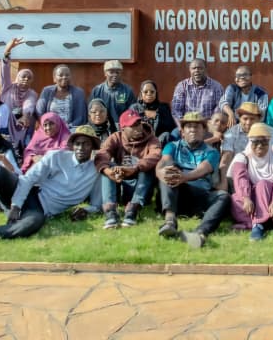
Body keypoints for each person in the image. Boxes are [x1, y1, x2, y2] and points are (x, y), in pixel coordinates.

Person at [155, 111, 230, 248]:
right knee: (169, 171)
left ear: (204, 131)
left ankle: (200, 232)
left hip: (199, 196)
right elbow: (163, 162)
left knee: (223, 196)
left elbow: (203, 169)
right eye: (189, 126)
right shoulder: (172, 146)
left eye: (197, 127)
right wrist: (160, 173)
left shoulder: (211, 152)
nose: (193, 130)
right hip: (175, 195)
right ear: (182, 131)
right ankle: (170, 221)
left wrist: (184, 177)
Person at [95, 109, 162, 229]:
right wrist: (108, 171)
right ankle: (110, 212)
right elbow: (102, 155)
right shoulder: (116, 137)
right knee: (108, 166)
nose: (138, 128)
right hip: (121, 184)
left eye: (138, 123)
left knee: (147, 169)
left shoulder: (152, 139)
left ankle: (132, 211)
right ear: (123, 129)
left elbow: (155, 155)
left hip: (141, 189)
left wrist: (135, 168)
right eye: (133, 126)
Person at [230, 123, 273, 241]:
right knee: (235, 199)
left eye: (264, 142)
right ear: (250, 142)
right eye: (255, 142)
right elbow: (240, 179)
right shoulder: (242, 157)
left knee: (263, 184)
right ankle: (271, 222)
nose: (260, 145)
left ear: (269, 142)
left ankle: (258, 225)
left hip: (272, 199)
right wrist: (246, 198)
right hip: (250, 199)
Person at [0, 37, 39, 150]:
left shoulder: (31, 93)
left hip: (21, 125)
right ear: (18, 77)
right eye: (23, 76)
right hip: (4, 124)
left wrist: (25, 116)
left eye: (29, 78)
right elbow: (4, 72)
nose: (26, 79)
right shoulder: (8, 87)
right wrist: (7, 50)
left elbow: (29, 104)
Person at [218, 101, 263, 189]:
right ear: (239, 118)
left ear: (259, 119)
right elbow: (226, 157)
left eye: (252, 119)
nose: (248, 122)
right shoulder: (231, 133)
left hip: (261, 174)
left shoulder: (267, 132)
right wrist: (223, 181)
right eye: (245, 119)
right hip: (238, 175)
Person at [171, 59, 224, 127]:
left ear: (205, 69)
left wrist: (209, 126)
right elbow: (176, 111)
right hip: (187, 125)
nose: (196, 70)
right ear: (190, 70)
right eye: (194, 68)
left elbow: (219, 110)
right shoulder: (182, 86)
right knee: (174, 133)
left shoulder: (216, 87)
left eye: (200, 68)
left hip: (208, 126)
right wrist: (182, 127)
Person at [36, 64, 87, 129]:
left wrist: (67, 127)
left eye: (67, 75)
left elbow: (80, 117)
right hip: (49, 129)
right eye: (61, 75)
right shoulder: (47, 91)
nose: (64, 77)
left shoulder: (78, 93)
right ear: (54, 78)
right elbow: (39, 112)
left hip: (70, 129)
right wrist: (48, 126)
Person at [91, 60, 137, 127]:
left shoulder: (128, 91)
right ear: (105, 73)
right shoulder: (97, 90)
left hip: (122, 127)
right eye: (111, 72)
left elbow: (132, 113)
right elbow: (91, 112)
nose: (115, 75)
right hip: (101, 127)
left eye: (117, 72)